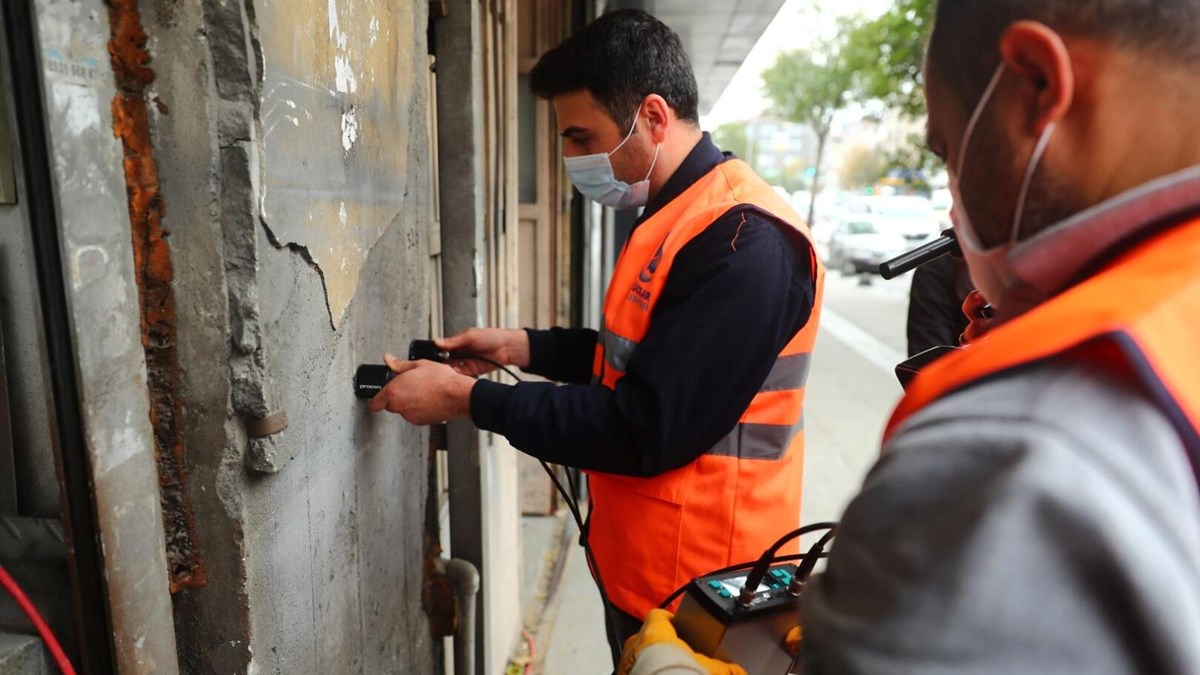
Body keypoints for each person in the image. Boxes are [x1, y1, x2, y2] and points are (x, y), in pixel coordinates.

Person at [619, 0, 1200, 672]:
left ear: (1038, 85)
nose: (952, 200)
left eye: (947, 149)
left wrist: (666, 666)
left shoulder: (1003, 442)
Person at [369, 8, 824, 664]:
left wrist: (467, 400)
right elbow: (642, 363)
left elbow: (646, 425)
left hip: (708, 601)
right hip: (650, 577)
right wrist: (522, 347)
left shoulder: (743, 243)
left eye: (582, 137)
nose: (570, 158)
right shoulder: (677, 215)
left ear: (653, 116)